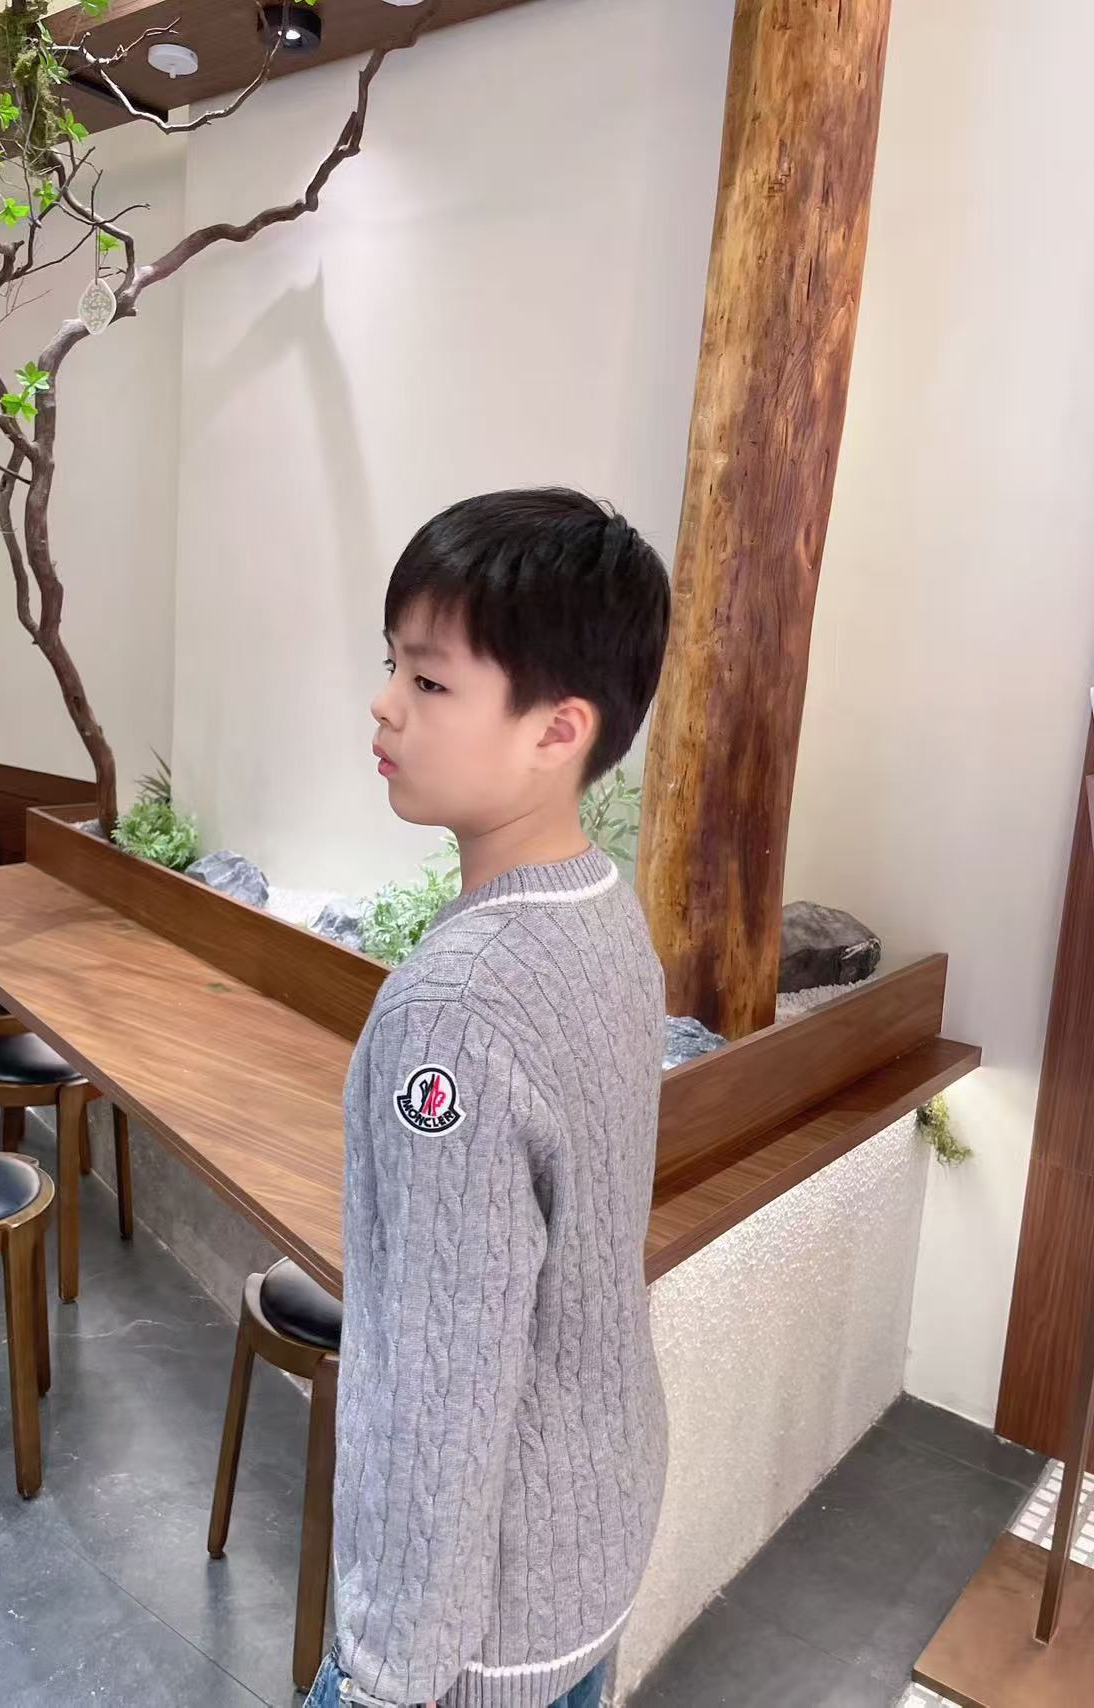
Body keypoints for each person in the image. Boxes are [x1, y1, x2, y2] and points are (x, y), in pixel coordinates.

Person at [308, 489, 672, 1708]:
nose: (385, 704)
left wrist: (385, 1675)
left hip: (471, 1644)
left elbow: (438, 1384)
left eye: (429, 680)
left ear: (557, 730)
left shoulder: (453, 1008)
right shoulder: (603, 912)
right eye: (391, 666)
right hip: (586, 1549)